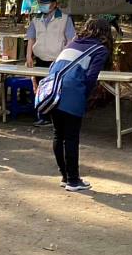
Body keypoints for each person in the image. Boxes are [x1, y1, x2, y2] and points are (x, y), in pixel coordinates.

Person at [46, 18, 112, 192]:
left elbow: (55, 65)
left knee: (58, 135)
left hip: (53, 92)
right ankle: (74, 181)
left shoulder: (73, 43)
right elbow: (91, 77)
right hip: (72, 94)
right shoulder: (100, 50)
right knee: (71, 137)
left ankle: (65, 176)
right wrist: (86, 96)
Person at [26, 0, 76, 126]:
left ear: (55, 4)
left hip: (57, 61)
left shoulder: (65, 18)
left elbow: (71, 40)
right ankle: (42, 116)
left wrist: (64, 57)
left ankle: (56, 118)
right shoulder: (36, 18)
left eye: (46, 3)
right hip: (40, 59)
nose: (43, 5)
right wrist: (28, 56)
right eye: (41, 3)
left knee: (55, 90)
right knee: (40, 88)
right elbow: (31, 38)